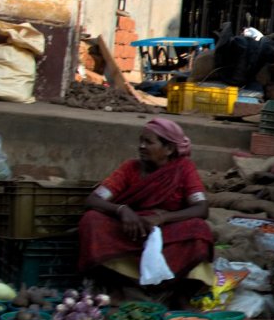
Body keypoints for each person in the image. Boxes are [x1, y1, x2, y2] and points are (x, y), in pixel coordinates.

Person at [79, 118, 215, 307]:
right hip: (132, 230)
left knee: (199, 229)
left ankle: (180, 296)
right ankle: (119, 287)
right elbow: (93, 200)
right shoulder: (130, 168)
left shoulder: (183, 168)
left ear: (168, 149)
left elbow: (201, 208)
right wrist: (122, 210)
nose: (141, 147)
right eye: (141, 141)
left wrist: (162, 218)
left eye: (149, 142)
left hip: (166, 230)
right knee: (91, 220)